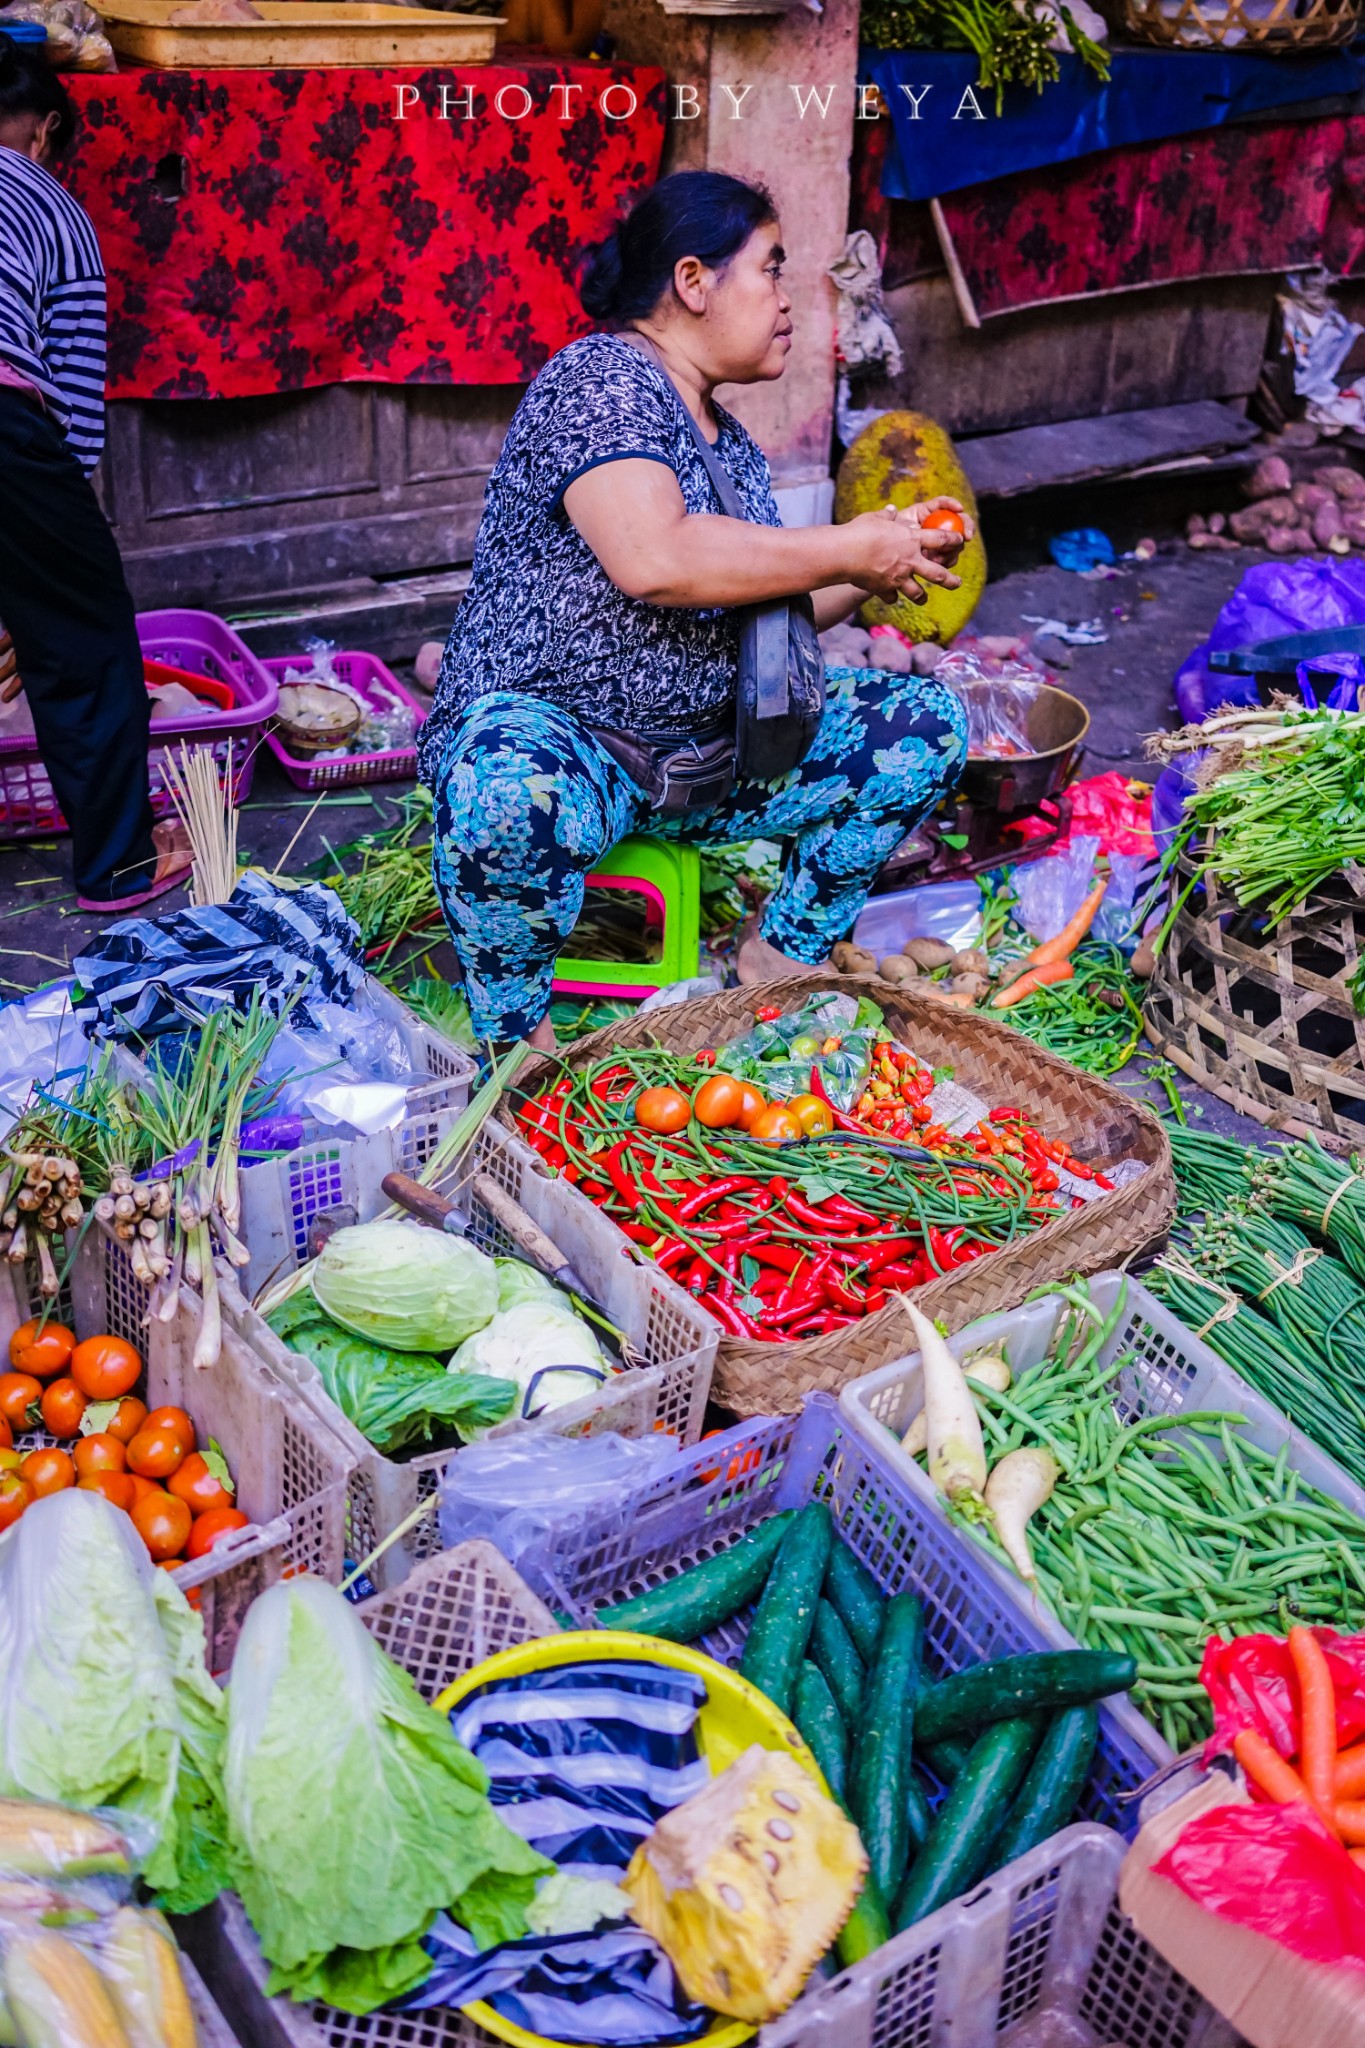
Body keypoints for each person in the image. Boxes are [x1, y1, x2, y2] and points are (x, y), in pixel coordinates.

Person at [418, 169, 971, 1051]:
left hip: (705, 760)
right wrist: (844, 545)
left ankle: (776, 962)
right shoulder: (598, 381)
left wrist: (877, 567)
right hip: (576, 753)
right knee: (503, 787)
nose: (788, 299)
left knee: (921, 723)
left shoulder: (729, 439)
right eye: (771, 268)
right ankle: (515, 1044)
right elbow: (657, 560)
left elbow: (763, 609)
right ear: (692, 280)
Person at [0, 39, 189, 911]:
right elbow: (68, 403)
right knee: (84, 637)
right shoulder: (47, 202)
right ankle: (120, 863)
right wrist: (57, 542)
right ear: (42, 131)